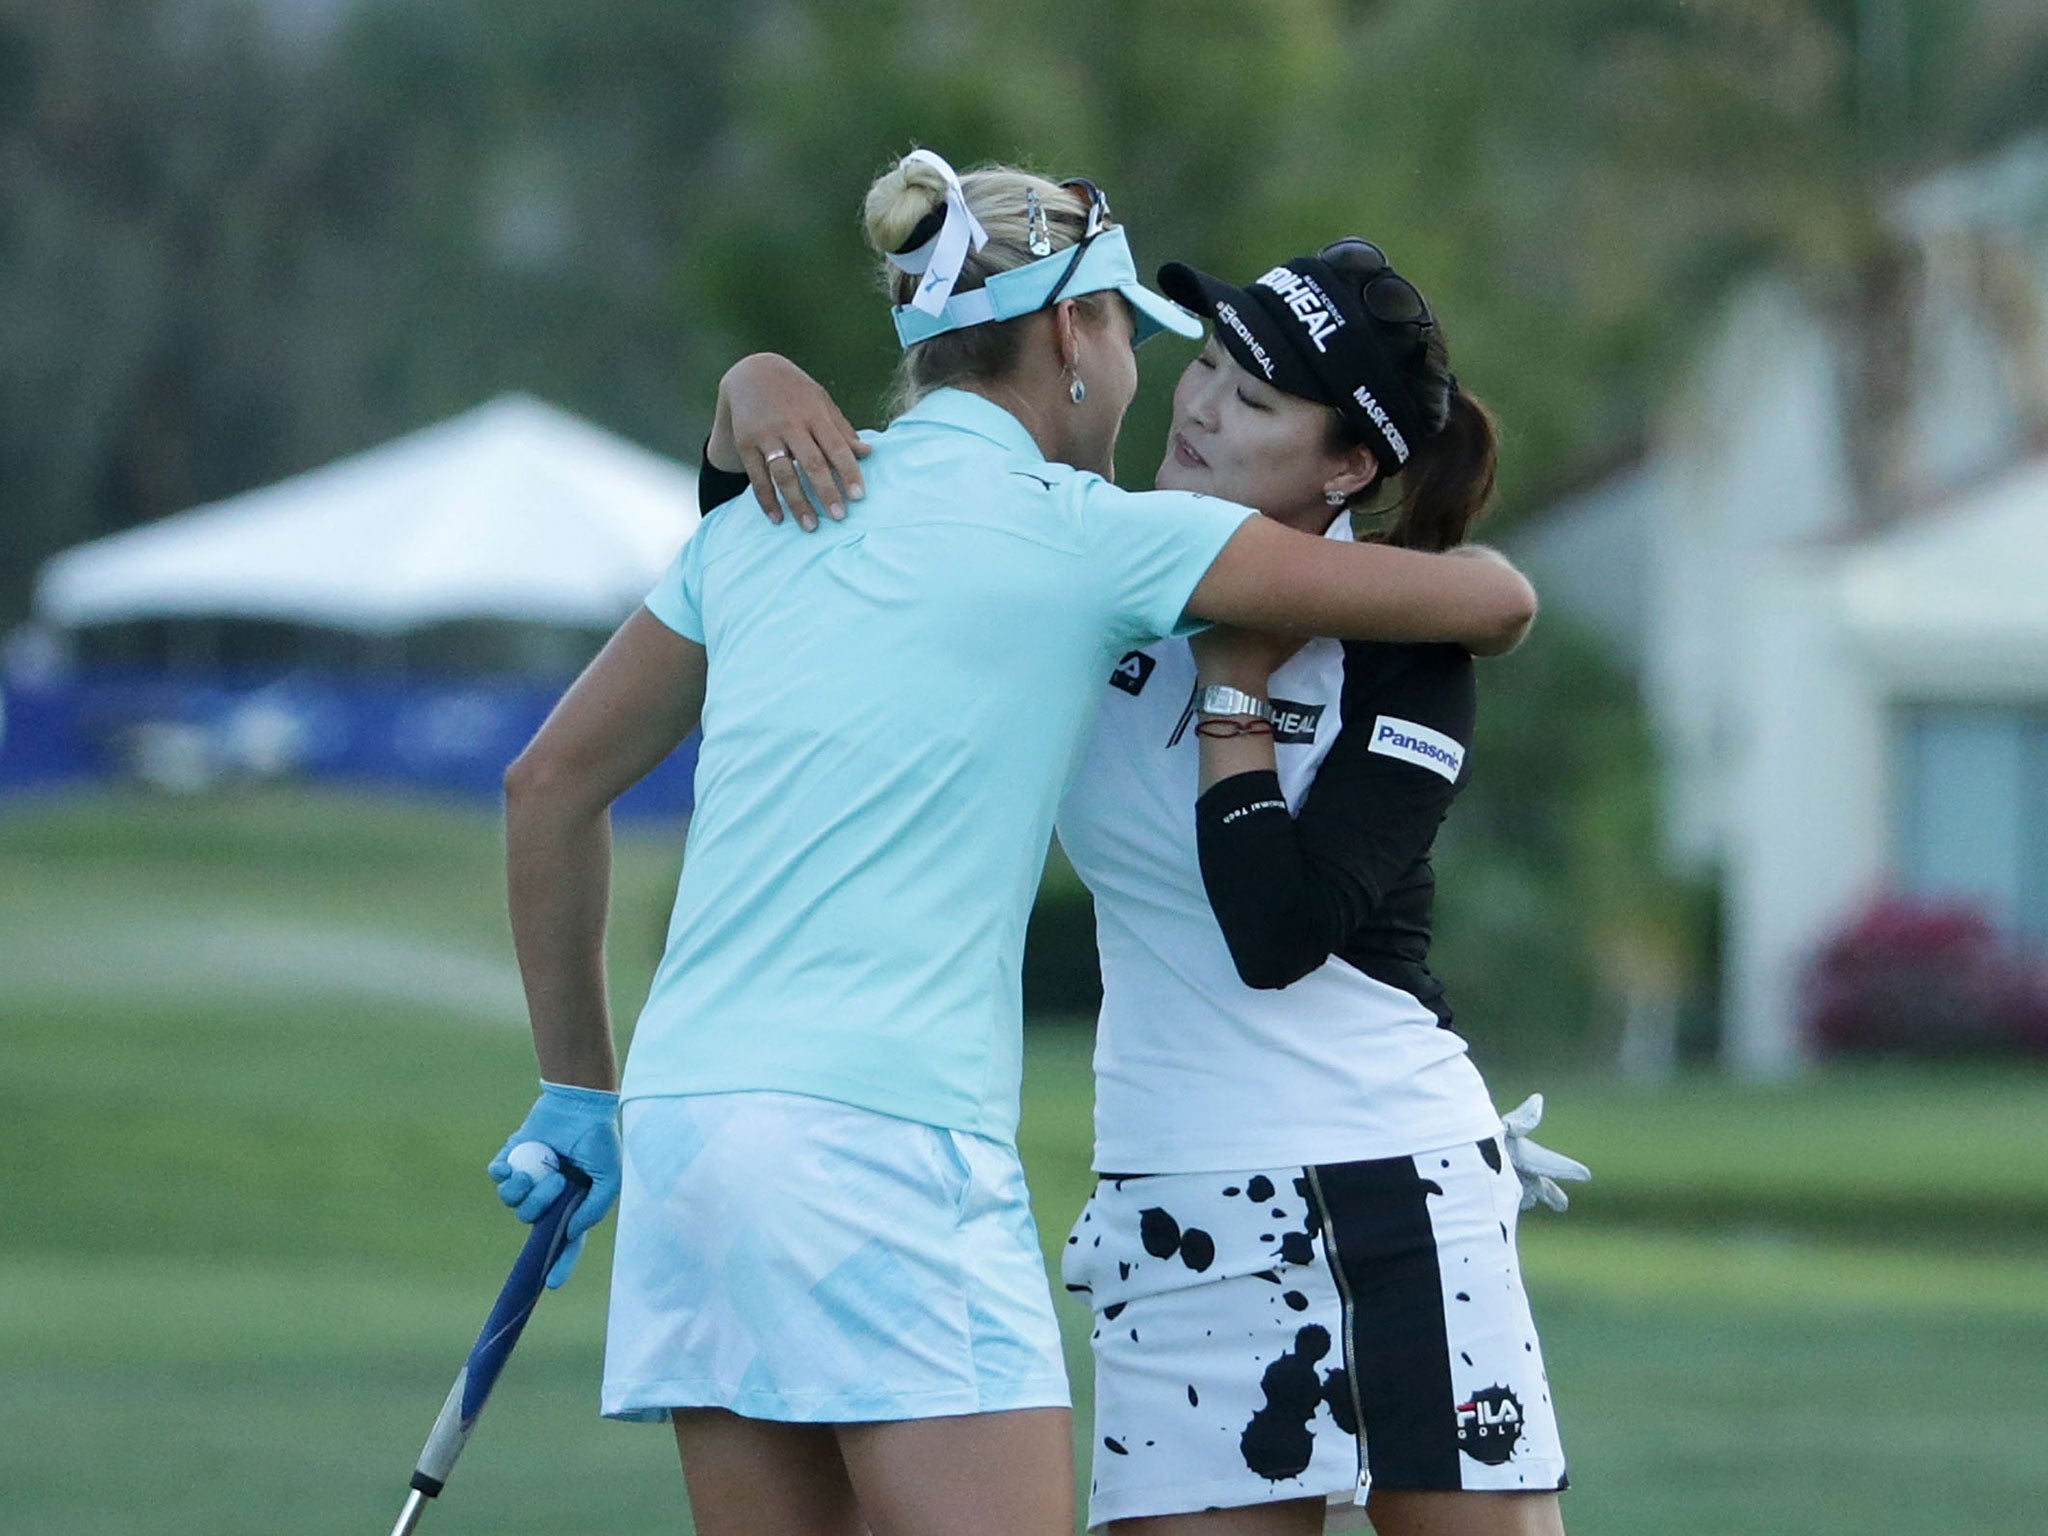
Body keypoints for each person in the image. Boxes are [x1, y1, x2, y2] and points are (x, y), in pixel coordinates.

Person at [489, 149, 1537, 1536]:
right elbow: (1494, 597)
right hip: (890, 1141)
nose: (1181, 395)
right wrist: (746, 390)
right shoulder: (1094, 540)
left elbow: (548, 785)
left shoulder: (761, 525)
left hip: (691, 1136)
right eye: (1143, 341)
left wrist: (582, 1090)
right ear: (1070, 334)